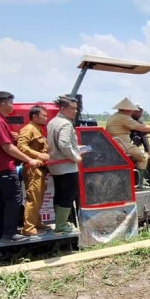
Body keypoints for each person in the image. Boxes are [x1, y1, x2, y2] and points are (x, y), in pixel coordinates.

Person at [0, 91, 41, 241]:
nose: (12, 106)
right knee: (13, 200)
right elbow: (8, 147)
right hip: (3, 167)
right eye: (11, 103)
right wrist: (29, 159)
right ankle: (10, 233)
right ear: (2, 103)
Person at [105, 97, 150, 186]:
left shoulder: (114, 117)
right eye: (131, 110)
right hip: (122, 145)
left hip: (115, 145)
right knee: (143, 157)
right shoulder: (124, 118)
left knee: (137, 155)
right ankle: (140, 184)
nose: (132, 112)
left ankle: (135, 180)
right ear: (127, 110)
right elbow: (141, 127)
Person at [47, 95, 83, 235]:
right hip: (66, 166)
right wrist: (75, 157)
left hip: (55, 165)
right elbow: (64, 144)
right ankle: (61, 225)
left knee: (59, 194)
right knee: (68, 195)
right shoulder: (66, 124)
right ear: (62, 108)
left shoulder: (52, 122)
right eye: (72, 108)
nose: (75, 111)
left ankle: (59, 222)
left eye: (76, 108)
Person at [17, 105, 51, 236]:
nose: (46, 118)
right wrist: (38, 155)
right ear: (35, 116)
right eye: (44, 115)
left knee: (39, 197)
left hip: (40, 168)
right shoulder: (29, 129)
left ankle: (36, 222)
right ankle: (28, 227)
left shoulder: (38, 129)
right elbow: (21, 146)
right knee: (33, 197)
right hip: (32, 168)